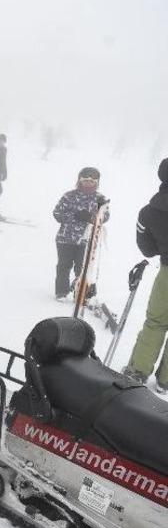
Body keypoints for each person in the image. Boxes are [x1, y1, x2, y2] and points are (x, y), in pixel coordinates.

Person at [123, 159, 168, 391]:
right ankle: (165, 380)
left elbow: (148, 249)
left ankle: (138, 370)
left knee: (156, 321)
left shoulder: (149, 212)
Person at [52, 167, 109, 301]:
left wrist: (91, 218)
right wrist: (75, 216)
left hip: (86, 240)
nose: (88, 183)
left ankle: (81, 292)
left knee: (82, 268)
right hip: (65, 238)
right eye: (85, 180)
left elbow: (105, 216)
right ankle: (61, 292)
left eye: (92, 181)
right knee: (63, 265)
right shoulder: (69, 196)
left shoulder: (100, 199)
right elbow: (57, 213)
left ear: (97, 182)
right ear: (79, 181)